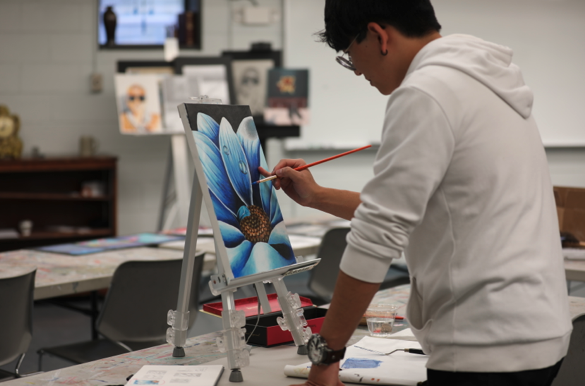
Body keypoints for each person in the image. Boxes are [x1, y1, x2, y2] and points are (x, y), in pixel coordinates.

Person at [258, 1, 572, 385]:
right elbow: (421, 209)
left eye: (350, 56)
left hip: (486, 343)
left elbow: (377, 235)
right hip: (535, 331)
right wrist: (317, 196)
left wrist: (326, 355)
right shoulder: (483, 79)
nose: (357, 71)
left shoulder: (424, 93)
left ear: (378, 36)